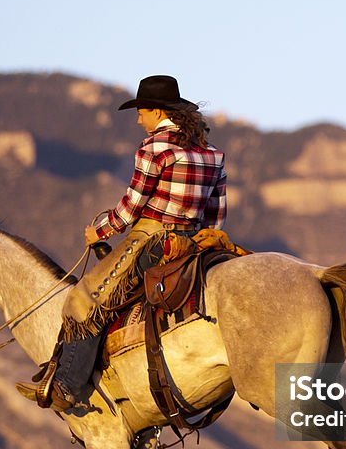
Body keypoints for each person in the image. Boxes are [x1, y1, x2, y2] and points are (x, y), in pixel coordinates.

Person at [17, 75, 227, 409]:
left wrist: (98, 231)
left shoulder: (154, 149)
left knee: (86, 298)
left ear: (158, 112)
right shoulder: (212, 154)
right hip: (197, 242)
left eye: (142, 111)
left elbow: (131, 210)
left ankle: (68, 386)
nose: (138, 119)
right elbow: (216, 214)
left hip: (153, 240)